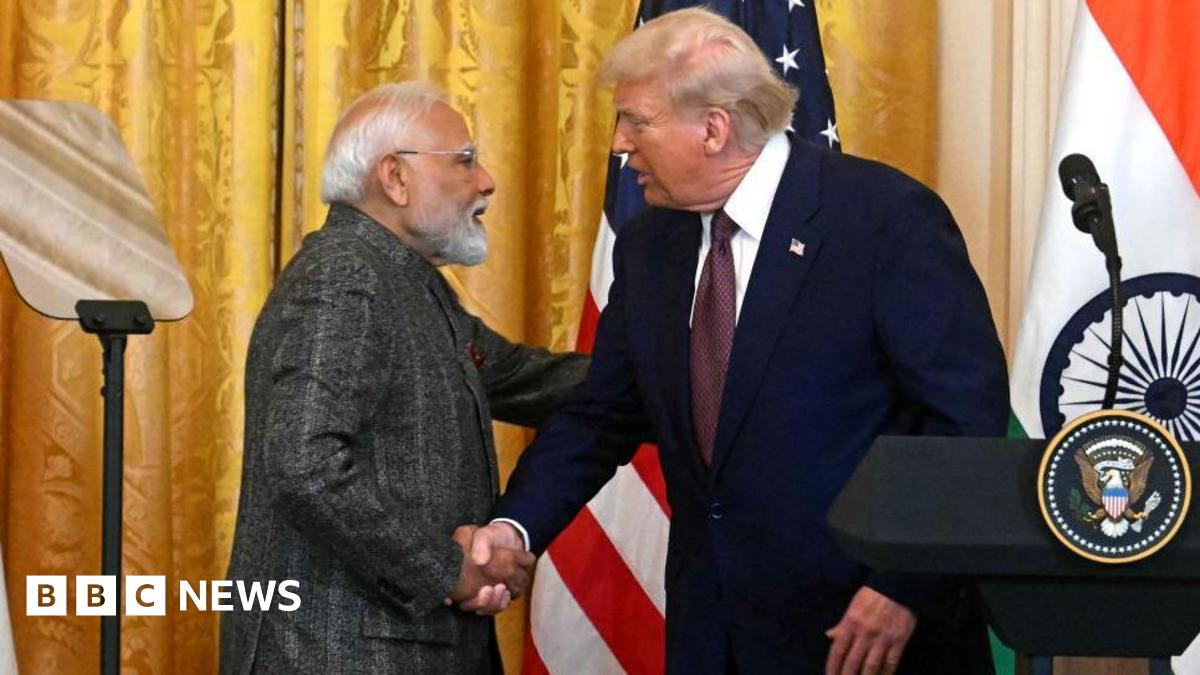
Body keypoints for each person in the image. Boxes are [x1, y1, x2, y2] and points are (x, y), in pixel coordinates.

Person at [467, 8, 1008, 675]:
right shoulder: (650, 249)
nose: (619, 145)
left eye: (636, 120)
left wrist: (902, 583)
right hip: (714, 634)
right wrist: (511, 531)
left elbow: (965, 420)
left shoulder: (882, 220)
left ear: (713, 129)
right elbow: (600, 417)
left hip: (866, 636)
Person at [221, 82, 589, 674]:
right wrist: (448, 570)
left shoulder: (403, 280)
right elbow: (303, 462)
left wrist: (689, 373)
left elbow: (527, 379)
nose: (487, 180)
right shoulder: (346, 276)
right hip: (337, 656)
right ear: (395, 177)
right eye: (465, 160)